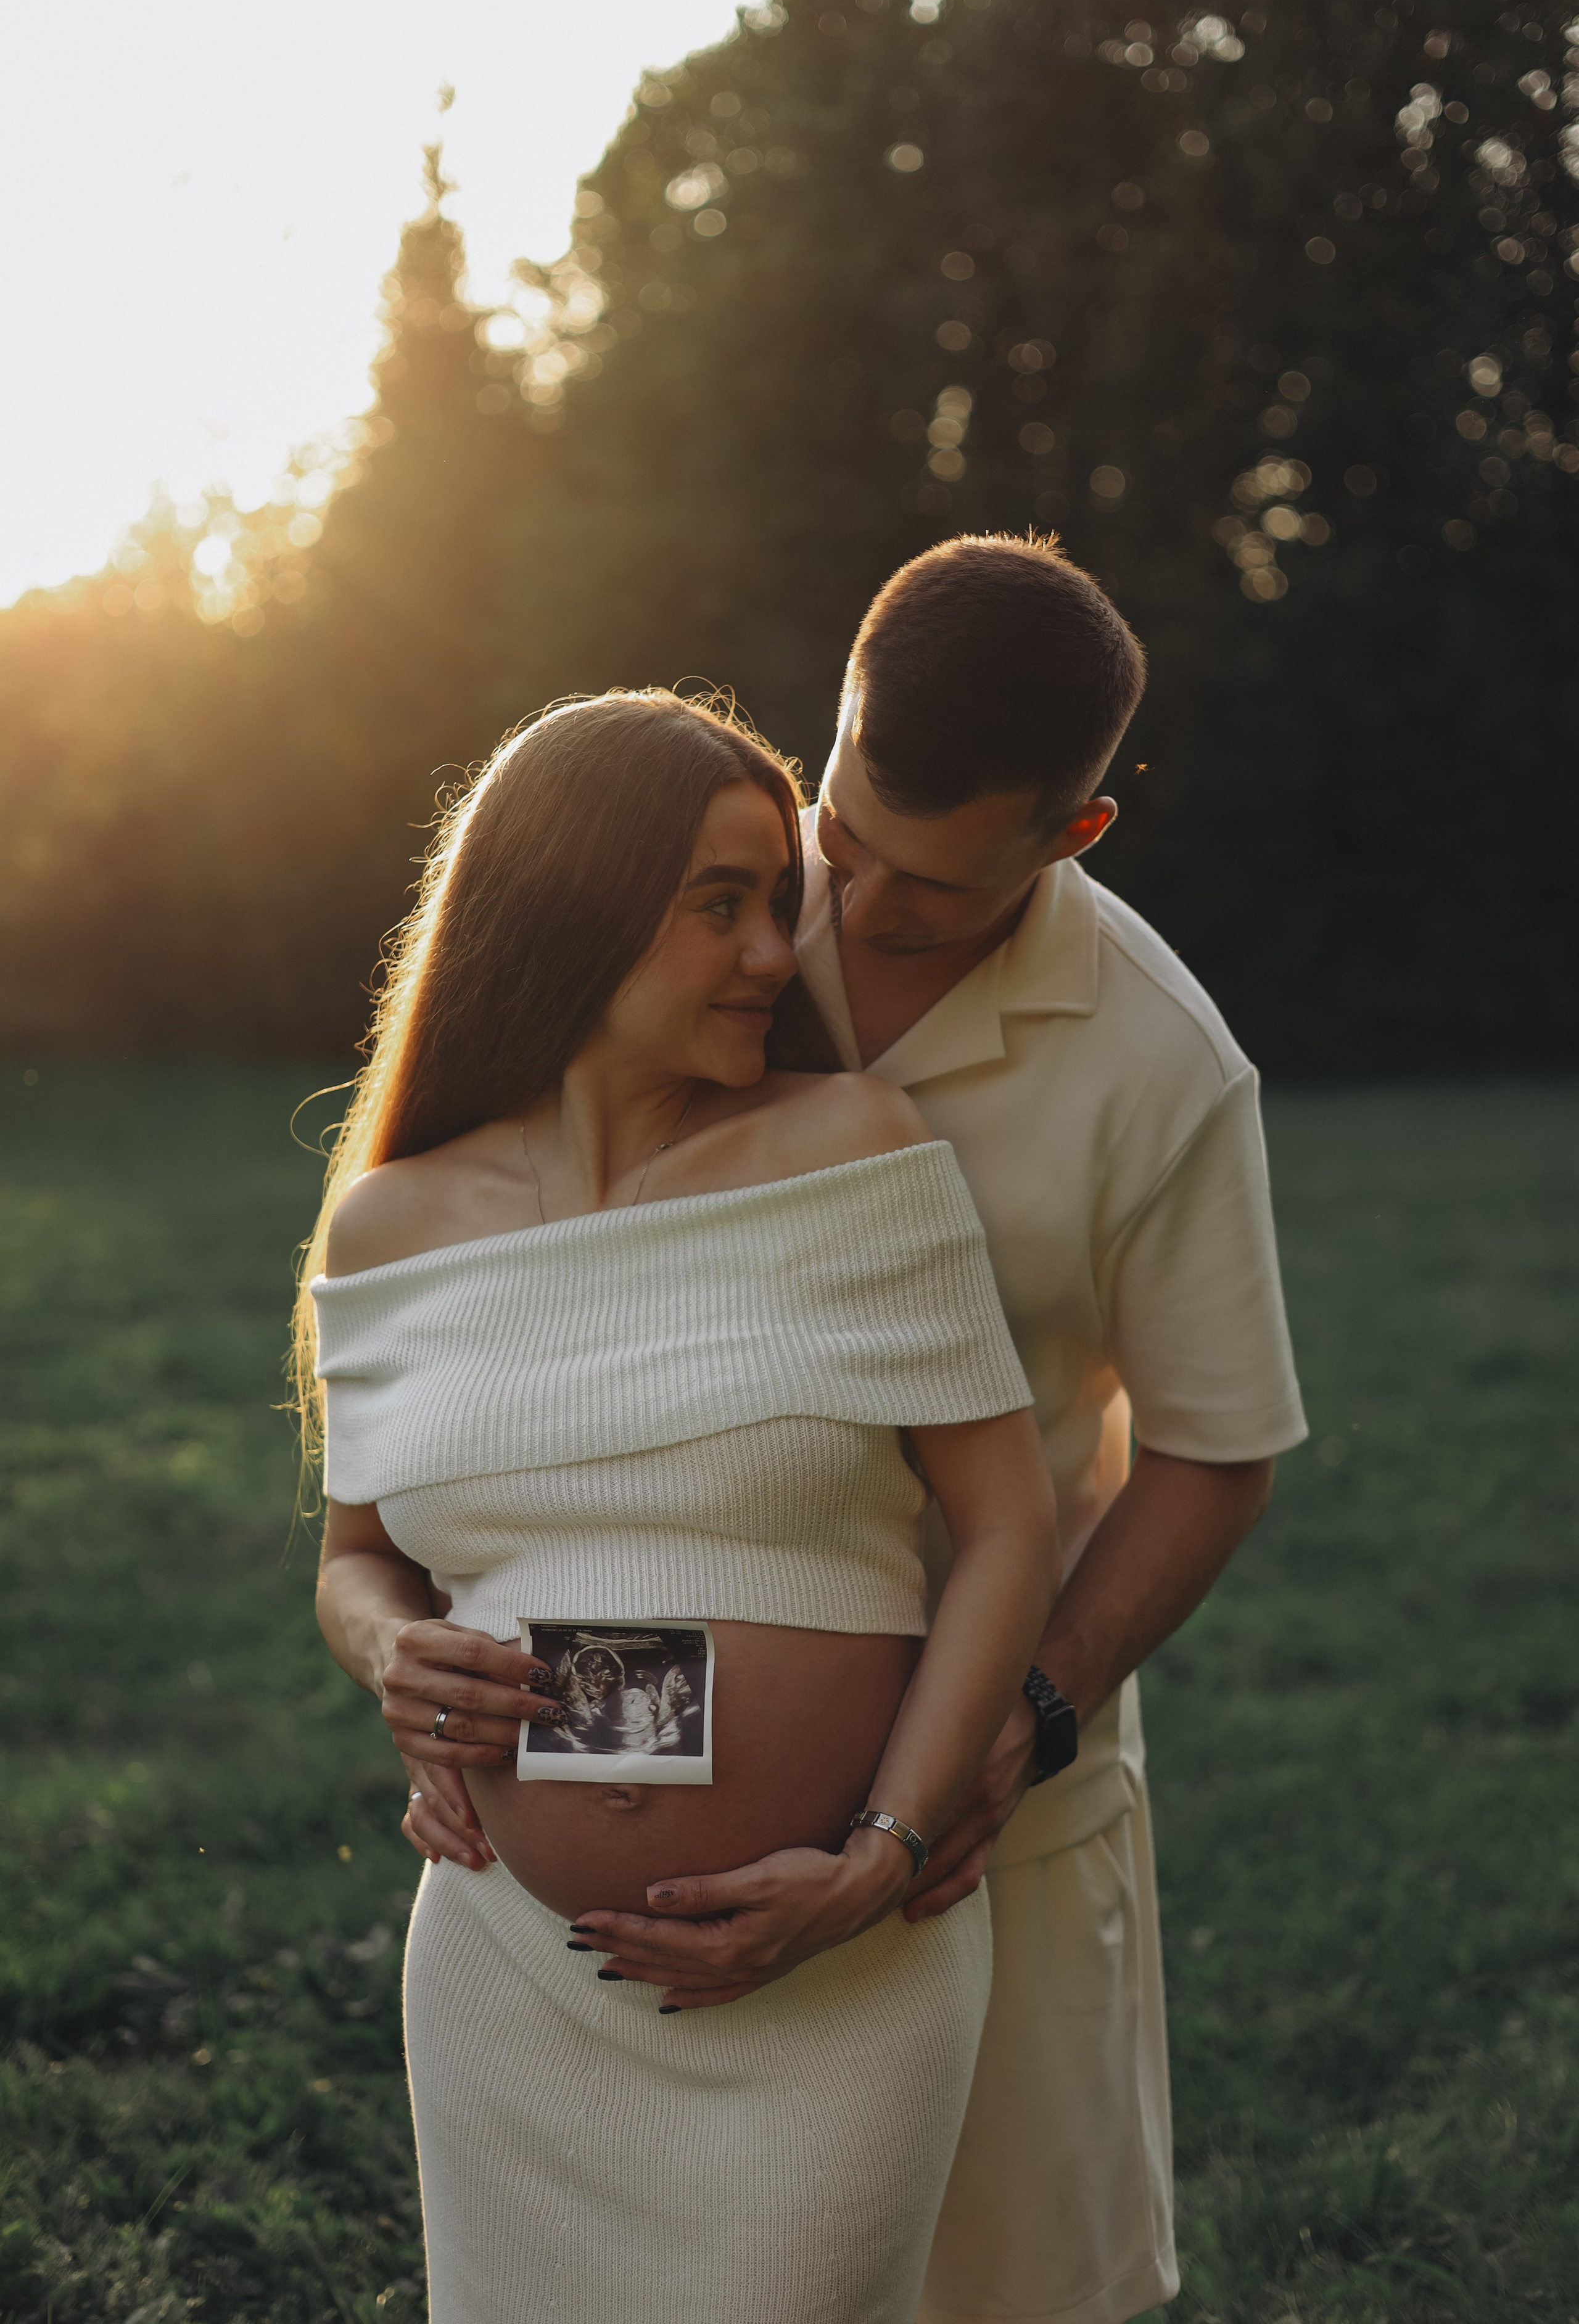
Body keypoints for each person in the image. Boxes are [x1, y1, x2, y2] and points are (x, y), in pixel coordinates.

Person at [413, 536, 1308, 2324]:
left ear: (1075, 836)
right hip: (625, 1749)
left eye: (934, 886)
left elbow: (1217, 1452)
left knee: (998, 2292)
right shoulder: (699, 906)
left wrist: (1028, 1722)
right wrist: (455, 1649)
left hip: (989, 1818)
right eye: (845, 835)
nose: (857, 905)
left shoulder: (1162, 1067)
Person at [301, 690, 1062, 2324]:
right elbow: (359, 1560)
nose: (771, 956)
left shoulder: (846, 1148)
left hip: (839, 1968)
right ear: (573, 900)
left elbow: (1010, 1527)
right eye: (717, 904)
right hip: (513, 1966)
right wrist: (391, 1657)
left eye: (774, 904)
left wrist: (882, 1855)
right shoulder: (390, 1225)